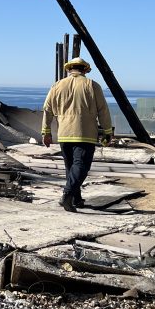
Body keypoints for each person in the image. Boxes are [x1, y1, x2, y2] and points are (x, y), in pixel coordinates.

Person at [40, 57, 114, 213]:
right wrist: (107, 131)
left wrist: (46, 132)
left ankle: (76, 199)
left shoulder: (57, 86)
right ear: (85, 70)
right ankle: (68, 194)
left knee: (71, 168)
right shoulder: (92, 85)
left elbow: (47, 109)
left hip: (64, 134)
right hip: (85, 133)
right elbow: (103, 111)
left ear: (69, 69)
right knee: (81, 166)